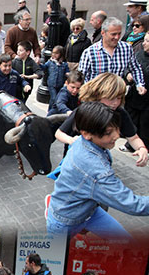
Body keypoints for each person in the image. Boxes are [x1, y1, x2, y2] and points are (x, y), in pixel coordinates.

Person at [46, 101, 149, 236]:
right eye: (108, 133)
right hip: (65, 221)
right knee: (52, 256)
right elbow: (132, 204)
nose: (117, 136)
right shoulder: (97, 171)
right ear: (87, 133)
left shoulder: (79, 140)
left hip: (90, 212)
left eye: (117, 129)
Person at [79, 17, 146, 89]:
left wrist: (140, 85)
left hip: (116, 96)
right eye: (113, 34)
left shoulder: (126, 48)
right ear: (103, 33)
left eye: (119, 34)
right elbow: (81, 77)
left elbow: (135, 68)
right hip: (95, 96)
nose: (117, 37)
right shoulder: (90, 52)